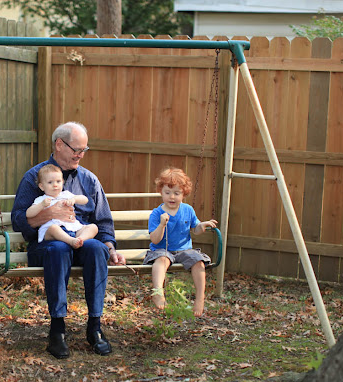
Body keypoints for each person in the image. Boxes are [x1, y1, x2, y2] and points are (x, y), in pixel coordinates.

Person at [12, 122, 126, 359]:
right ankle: (57, 330)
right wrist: (49, 215)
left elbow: (103, 222)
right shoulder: (35, 177)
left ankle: (94, 328)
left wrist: (111, 248)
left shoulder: (89, 180)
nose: (80, 155)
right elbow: (19, 220)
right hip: (47, 243)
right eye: (76, 149)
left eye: (84, 150)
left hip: (80, 238)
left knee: (96, 249)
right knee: (58, 249)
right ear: (59, 144)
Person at [143, 167, 218, 317]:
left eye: (177, 193)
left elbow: (195, 229)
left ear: (184, 194)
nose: (172, 197)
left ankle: (200, 298)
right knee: (162, 260)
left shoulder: (188, 210)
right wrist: (161, 225)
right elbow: (155, 239)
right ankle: (158, 292)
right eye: (167, 192)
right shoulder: (157, 214)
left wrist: (202, 226)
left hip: (184, 250)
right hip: (162, 250)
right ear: (161, 192)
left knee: (198, 262)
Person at [26, 164, 99, 249]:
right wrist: (41, 205)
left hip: (72, 227)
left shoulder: (66, 194)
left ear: (62, 182)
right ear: (42, 186)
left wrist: (74, 199)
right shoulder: (42, 199)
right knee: (53, 228)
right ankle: (71, 241)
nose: (55, 185)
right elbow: (29, 213)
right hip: (53, 231)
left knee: (93, 227)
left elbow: (85, 199)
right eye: (50, 182)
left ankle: (80, 240)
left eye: (58, 181)